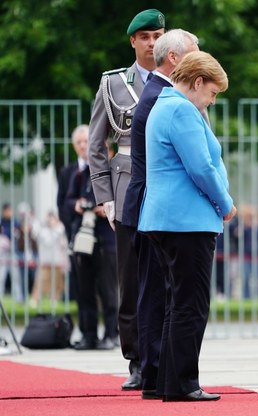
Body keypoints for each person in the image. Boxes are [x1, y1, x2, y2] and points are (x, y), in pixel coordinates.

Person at [139, 50, 236, 402]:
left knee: (176, 303)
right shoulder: (182, 109)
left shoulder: (163, 105)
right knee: (191, 305)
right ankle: (183, 383)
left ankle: (166, 381)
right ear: (197, 83)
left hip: (166, 218)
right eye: (212, 93)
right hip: (187, 221)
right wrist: (225, 203)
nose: (212, 100)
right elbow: (201, 168)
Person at [88, 9, 165, 390]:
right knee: (131, 279)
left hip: (168, 186)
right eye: (146, 36)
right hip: (127, 185)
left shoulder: (179, 78)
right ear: (133, 41)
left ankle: (165, 354)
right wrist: (105, 197)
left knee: (167, 276)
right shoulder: (114, 83)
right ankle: (136, 359)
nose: (153, 42)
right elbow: (96, 145)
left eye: (158, 35)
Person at [121, 28, 199, 400]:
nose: (201, 59)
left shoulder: (156, 93)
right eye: (195, 53)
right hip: (157, 206)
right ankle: (153, 374)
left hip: (149, 203)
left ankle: (155, 373)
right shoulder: (161, 97)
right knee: (156, 294)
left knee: (157, 291)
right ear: (175, 60)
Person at [64, 145, 118, 350]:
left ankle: (111, 334)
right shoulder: (82, 173)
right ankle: (89, 334)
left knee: (108, 291)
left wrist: (106, 208)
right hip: (84, 237)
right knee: (84, 290)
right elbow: (68, 200)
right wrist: (78, 205)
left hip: (106, 239)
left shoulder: (115, 172)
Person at [57, 125, 90, 302]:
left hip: (101, 237)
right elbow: (61, 204)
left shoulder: (102, 168)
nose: (83, 145)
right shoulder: (67, 172)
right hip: (77, 235)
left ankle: (110, 330)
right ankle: (87, 329)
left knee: (107, 289)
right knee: (82, 290)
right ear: (74, 145)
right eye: (79, 142)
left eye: (86, 141)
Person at [30, 211, 68, 308]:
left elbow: (60, 230)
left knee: (57, 283)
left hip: (56, 262)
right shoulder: (43, 231)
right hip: (44, 263)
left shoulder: (59, 228)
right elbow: (40, 236)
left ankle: (54, 300)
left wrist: (55, 224)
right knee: (40, 282)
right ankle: (35, 300)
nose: (50, 221)